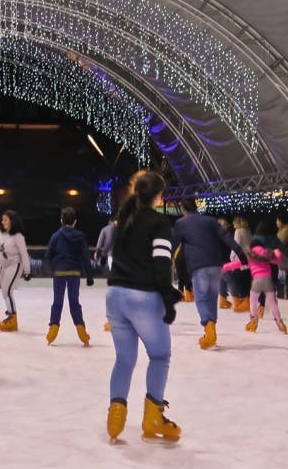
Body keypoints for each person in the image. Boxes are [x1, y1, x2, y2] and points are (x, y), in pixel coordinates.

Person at [105, 171, 181, 444]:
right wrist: (168, 297)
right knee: (160, 356)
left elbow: (120, 258)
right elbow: (161, 263)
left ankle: (115, 419)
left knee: (125, 359)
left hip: (115, 295)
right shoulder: (159, 223)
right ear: (159, 196)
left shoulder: (122, 220)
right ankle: (153, 417)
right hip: (143, 297)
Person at [173, 199, 246, 350]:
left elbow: (173, 244)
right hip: (215, 264)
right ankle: (210, 332)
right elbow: (227, 238)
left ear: (183, 209)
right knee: (212, 298)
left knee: (201, 298)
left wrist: (162, 259)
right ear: (196, 207)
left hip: (198, 266)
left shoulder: (181, 224)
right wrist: (241, 254)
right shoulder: (211, 221)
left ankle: (209, 326)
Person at [45, 206, 94, 346]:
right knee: (74, 303)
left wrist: (54, 268)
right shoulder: (80, 236)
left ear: (61, 220)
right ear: (75, 222)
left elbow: (48, 256)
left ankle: (52, 331)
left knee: (57, 302)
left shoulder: (56, 236)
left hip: (59, 273)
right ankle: (82, 332)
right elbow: (86, 257)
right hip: (74, 273)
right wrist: (89, 276)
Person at [225, 238, 286, 334]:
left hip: (257, 281)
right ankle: (279, 321)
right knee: (272, 302)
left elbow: (237, 264)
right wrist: (277, 251)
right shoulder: (267, 254)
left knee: (253, 301)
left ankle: (253, 320)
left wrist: (224, 267)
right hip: (268, 281)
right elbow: (277, 259)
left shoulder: (250, 256)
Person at [0, 210, 31, 332]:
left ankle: (13, 319)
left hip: (14, 264)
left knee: (7, 290)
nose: (2, 222)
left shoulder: (18, 237)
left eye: (5, 220)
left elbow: (24, 254)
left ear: (12, 222)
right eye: (2, 219)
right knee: (5, 292)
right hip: (3, 265)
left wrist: (27, 271)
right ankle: (11, 315)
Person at [227, 216, 253, 312]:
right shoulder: (248, 231)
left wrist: (232, 257)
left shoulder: (238, 231)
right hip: (248, 261)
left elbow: (236, 245)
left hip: (239, 261)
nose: (233, 224)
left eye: (234, 222)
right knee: (246, 281)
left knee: (238, 281)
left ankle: (245, 301)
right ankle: (247, 301)